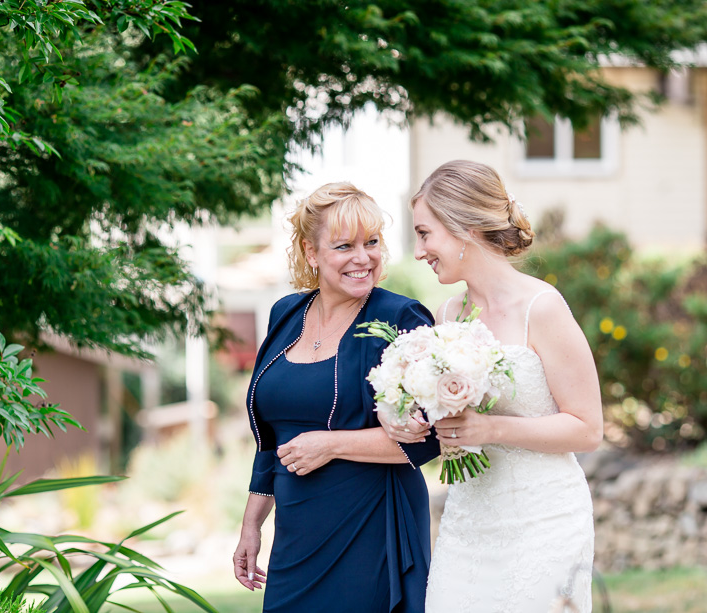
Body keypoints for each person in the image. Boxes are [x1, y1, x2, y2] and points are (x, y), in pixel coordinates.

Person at [382, 160, 603, 612]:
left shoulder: (540, 307)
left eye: (425, 233)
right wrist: (406, 415)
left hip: (545, 520)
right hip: (468, 522)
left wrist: (491, 430)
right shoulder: (447, 315)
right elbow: (452, 423)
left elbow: (587, 429)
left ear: (462, 227)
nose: (420, 250)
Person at [232, 182, 440, 613]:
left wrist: (330, 444)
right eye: (344, 245)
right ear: (311, 253)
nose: (363, 258)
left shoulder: (400, 317)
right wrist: (252, 524)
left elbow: (430, 436)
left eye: (372, 242)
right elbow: (271, 439)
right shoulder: (285, 313)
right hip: (296, 531)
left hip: (371, 523)